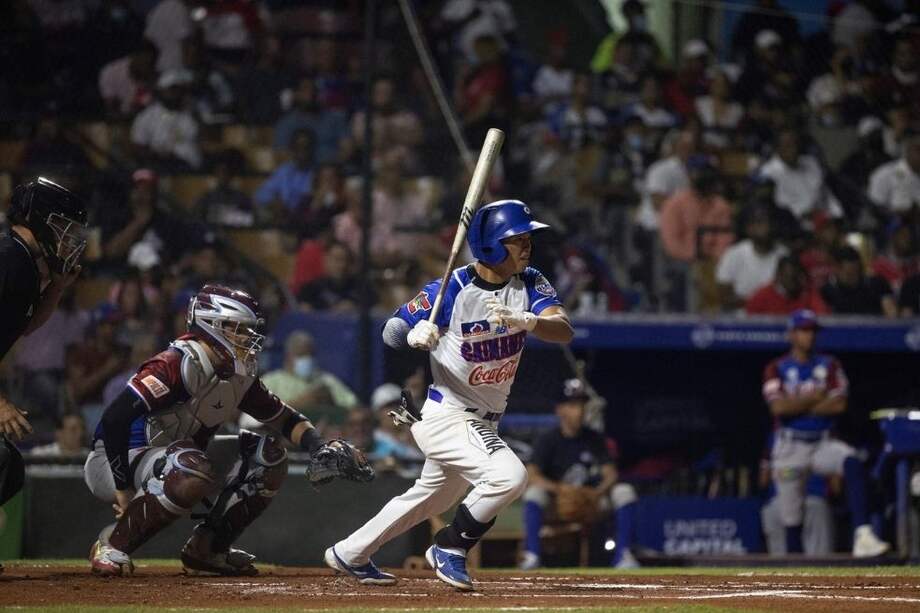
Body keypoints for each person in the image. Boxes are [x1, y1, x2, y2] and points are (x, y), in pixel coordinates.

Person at [324, 200, 573, 590]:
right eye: (517, 240)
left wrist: (531, 321)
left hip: (484, 417)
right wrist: (414, 334)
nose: (527, 247)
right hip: (449, 414)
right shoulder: (451, 288)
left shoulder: (530, 281)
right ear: (491, 244)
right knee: (509, 477)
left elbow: (564, 330)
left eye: (528, 239)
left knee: (430, 500)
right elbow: (390, 330)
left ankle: (350, 552)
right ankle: (449, 547)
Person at [83, 285, 366, 576]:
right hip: (118, 459)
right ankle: (112, 545)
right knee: (189, 465)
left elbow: (283, 418)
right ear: (212, 325)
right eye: (240, 329)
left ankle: (207, 549)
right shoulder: (175, 364)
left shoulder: (238, 373)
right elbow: (114, 421)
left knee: (268, 455)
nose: (248, 338)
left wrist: (318, 445)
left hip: (180, 458)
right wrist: (123, 490)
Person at [0, 178, 87, 574]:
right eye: (63, 227)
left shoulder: (22, 263)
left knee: (7, 467)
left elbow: (23, 327)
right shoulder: (9, 257)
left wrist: (56, 289)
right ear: (39, 220)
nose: (68, 238)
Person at [762, 309, 890, 557]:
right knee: (792, 519)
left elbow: (839, 404)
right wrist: (813, 398)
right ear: (792, 334)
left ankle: (862, 535)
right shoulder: (776, 368)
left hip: (821, 442)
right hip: (790, 446)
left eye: (812, 331)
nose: (809, 336)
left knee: (851, 461)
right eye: (803, 330)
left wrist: (797, 404)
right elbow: (778, 408)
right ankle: (796, 582)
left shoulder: (829, 365)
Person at [521, 379, 638, 570]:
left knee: (624, 492)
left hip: (591, 499)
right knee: (534, 493)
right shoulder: (548, 440)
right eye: (573, 405)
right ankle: (532, 555)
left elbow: (611, 474)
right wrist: (560, 490)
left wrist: (597, 492)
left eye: (582, 404)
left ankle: (624, 555)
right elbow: (532, 475)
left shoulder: (594, 439)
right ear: (560, 409)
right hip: (558, 501)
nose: (581, 410)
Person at [256, 331, 358, 428]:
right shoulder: (271, 381)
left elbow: (354, 408)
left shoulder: (326, 381)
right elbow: (257, 418)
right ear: (288, 356)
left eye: (310, 355)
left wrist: (331, 402)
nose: (307, 359)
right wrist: (303, 402)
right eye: (301, 355)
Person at [716, 205, 788, 310]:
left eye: (767, 222)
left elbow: (789, 295)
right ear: (749, 228)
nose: (764, 226)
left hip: (775, 318)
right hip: (741, 320)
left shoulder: (783, 255)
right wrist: (756, 302)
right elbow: (724, 297)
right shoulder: (734, 254)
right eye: (759, 222)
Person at [820, 246, 896, 317]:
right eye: (848, 273)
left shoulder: (877, 285)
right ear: (836, 269)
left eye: (855, 272)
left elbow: (891, 314)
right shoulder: (828, 291)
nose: (853, 277)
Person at [746, 256, 829, 315]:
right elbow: (750, 324)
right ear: (778, 275)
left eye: (794, 277)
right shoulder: (762, 296)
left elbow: (822, 316)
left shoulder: (807, 294)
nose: (791, 281)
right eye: (787, 276)